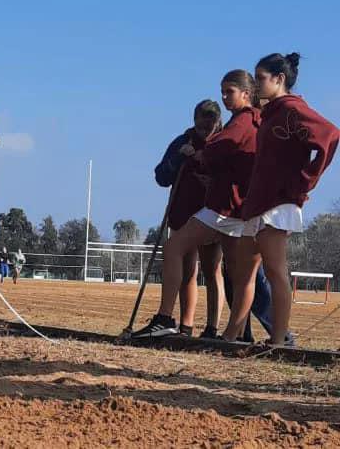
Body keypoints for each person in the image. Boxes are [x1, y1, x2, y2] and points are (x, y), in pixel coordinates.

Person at [133, 71, 277, 340]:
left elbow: (224, 148)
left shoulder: (243, 122)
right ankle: (232, 335)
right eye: (222, 92)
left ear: (246, 94)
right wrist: (182, 159)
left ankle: (176, 321)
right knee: (235, 272)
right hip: (212, 210)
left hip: (224, 209)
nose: (224, 97)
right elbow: (162, 174)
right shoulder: (246, 123)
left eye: (228, 92)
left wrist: (200, 156)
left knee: (225, 271)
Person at [222, 53, 339, 346]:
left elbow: (330, 135)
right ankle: (231, 335)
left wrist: (304, 182)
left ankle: (278, 340)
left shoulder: (293, 109)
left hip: (279, 202)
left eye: (261, 78)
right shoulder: (270, 113)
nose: (257, 83)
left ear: (279, 79)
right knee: (242, 273)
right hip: (257, 202)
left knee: (275, 270)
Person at [141, 99, 223, 337]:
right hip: (183, 214)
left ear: (218, 124)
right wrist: (179, 159)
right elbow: (161, 176)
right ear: (194, 120)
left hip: (212, 214)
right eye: (200, 125)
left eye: (210, 126)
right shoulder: (182, 141)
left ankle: (212, 328)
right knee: (188, 271)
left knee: (212, 268)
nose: (205, 131)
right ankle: (185, 327)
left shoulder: (222, 143)